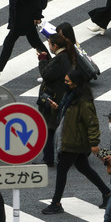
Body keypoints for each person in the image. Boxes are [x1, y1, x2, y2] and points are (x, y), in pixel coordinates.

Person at [41, 70, 111, 214]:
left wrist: (94, 143)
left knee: (62, 170)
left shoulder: (84, 102)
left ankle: (56, 203)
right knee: (84, 168)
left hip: (75, 141)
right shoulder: (70, 96)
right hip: (71, 138)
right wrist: (56, 109)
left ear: (76, 84)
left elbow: (92, 123)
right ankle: (107, 193)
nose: (65, 84)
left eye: (67, 82)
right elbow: (64, 116)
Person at [36, 33, 75, 166]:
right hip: (61, 95)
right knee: (56, 127)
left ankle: (48, 158)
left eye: (50, 45)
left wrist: (42, 60)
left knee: (49, 127)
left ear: (55, 45)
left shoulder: (60, 58)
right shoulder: (67, 55)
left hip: (54, 97)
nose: (49, 47)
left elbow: (46, 74)